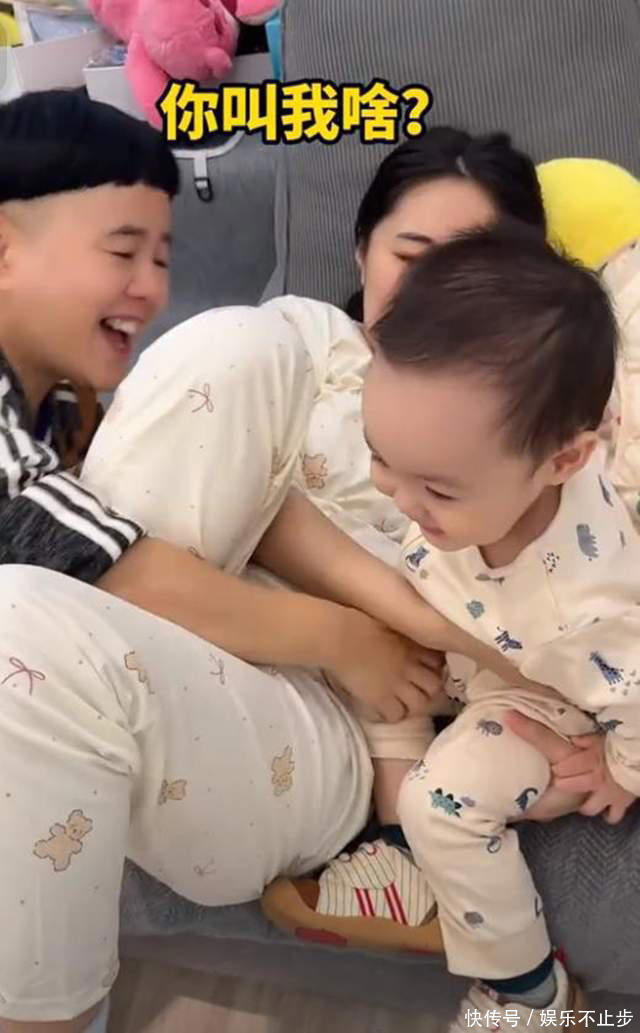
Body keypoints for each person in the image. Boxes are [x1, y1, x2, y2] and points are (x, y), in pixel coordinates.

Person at [0, 119, 596, 1033]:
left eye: (472, 265)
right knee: (233, 344)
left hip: (309, 734)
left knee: (17, 624)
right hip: (181, 628)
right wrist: (369, 623)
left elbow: (559, 618)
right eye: (412, 254)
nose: (436, 290)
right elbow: (229, 485)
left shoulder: (547, 425)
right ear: (362, 250)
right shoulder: (298, 341)